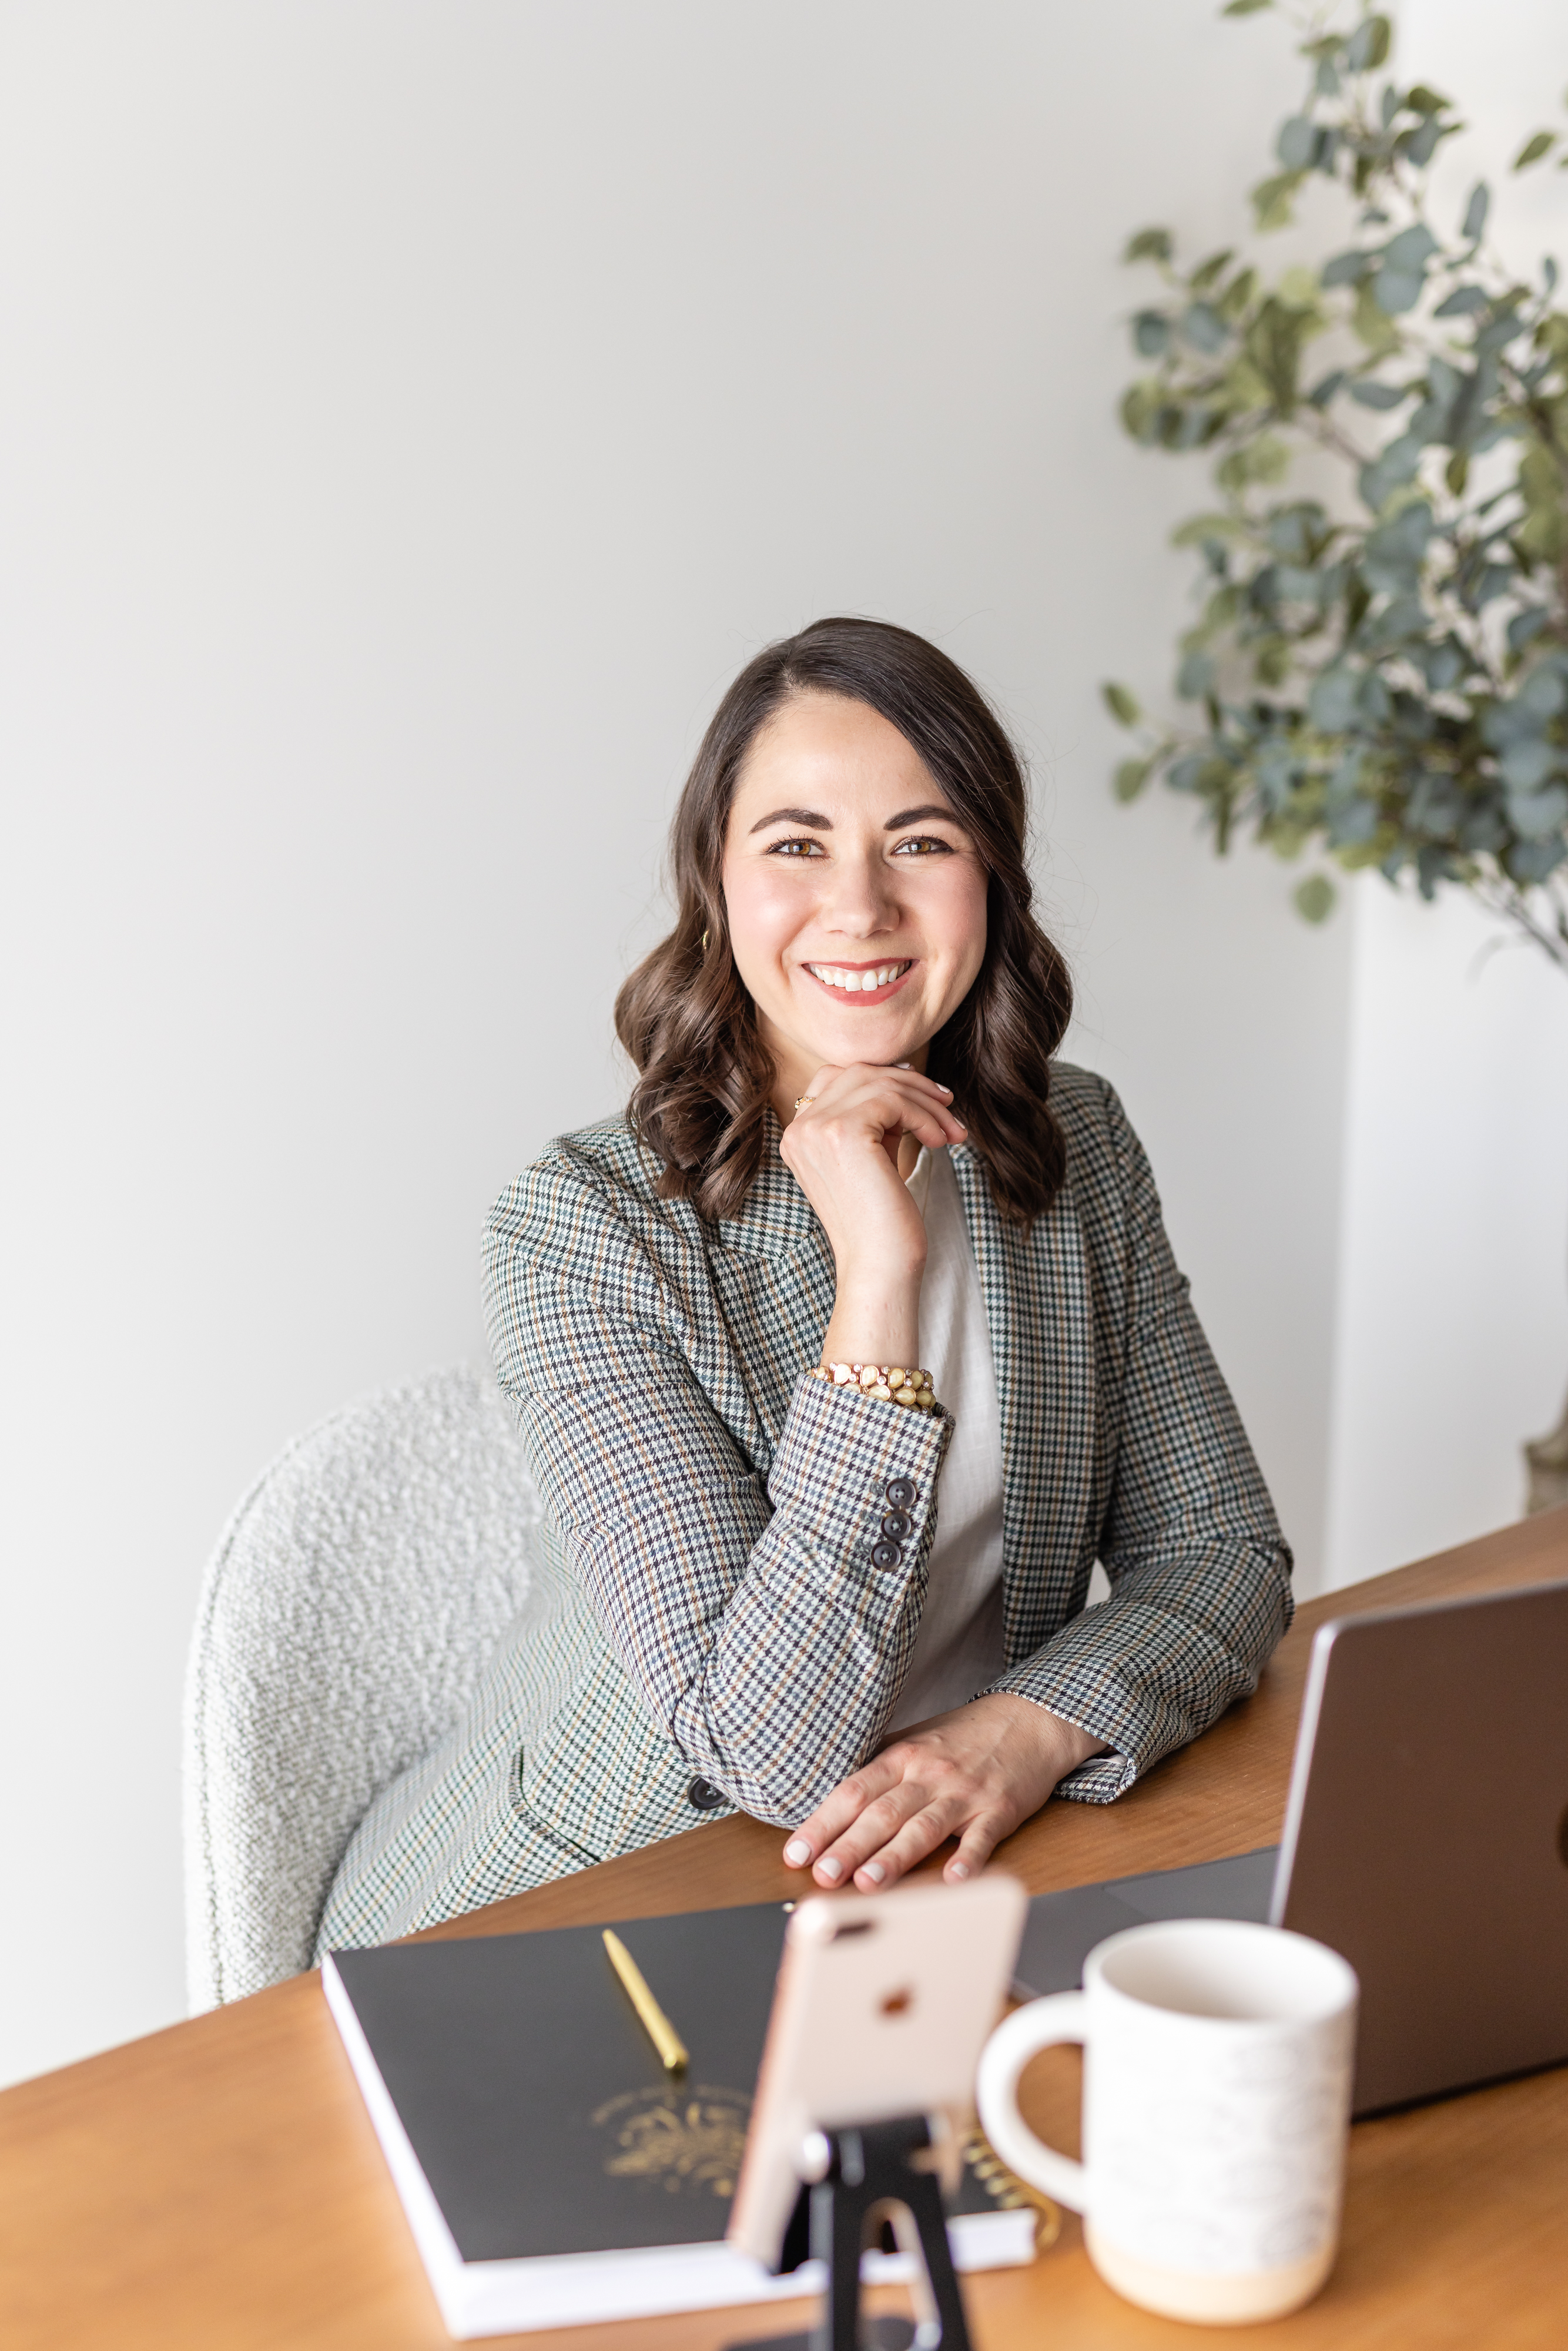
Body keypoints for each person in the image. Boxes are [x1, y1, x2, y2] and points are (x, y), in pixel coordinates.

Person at [317, 617, 1292, 1954]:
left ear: (991, 880)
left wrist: (1022, 1727)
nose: (860, 906)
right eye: (795, 843)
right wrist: (876, 1277)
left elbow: (1220, 1551)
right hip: (564, 1909)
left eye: (921, 840)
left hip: (922, 1878)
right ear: (716, 884)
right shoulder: (582, 1226)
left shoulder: (1075, 1151)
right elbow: (766, 1745)